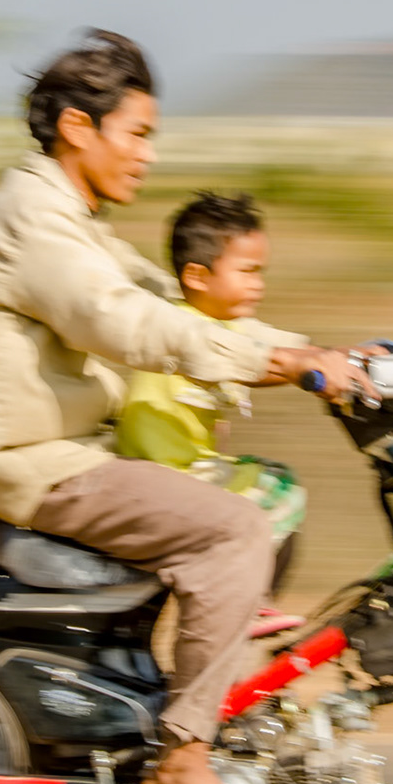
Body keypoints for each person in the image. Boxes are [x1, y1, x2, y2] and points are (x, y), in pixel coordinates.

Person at [0, 30, 371, 784]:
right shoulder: (35, 218)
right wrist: (290, 361)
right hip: (35, 467)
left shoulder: (75, 220)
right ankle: (182, 756)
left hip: (72, 449)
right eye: (137, 133)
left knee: (257, 496)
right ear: (76, 127)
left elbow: (178, 305)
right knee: (232, 527)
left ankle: (165, 703)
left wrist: (324, 354)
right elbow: (127, 323)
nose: (148, 155)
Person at [114, 191, 306, 638]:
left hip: (178, 465)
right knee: (282, 491)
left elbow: (268, 351)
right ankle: (249, 599)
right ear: (197, 276)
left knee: (270, 474)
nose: (258, 285)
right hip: (172, 472)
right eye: (248, 272)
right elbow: (261, 362)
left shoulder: (204, 325)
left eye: (262, 273)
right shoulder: (190, 334)